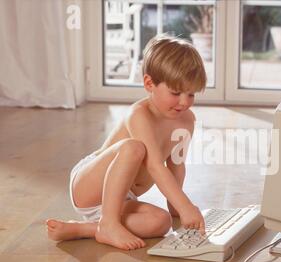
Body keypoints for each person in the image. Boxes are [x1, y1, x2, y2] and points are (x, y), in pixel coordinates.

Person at [46, 34, 206, 250]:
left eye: (191, 94)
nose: (184, 102)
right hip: (90, 186)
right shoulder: (139, 115)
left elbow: (176, 165)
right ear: (149, 83)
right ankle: (109, 223)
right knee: (134, 147)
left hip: (121, 198)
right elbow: (156, 166)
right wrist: (186, 205)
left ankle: (86, 229)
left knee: (161, 223)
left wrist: (176, 208)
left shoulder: (187, 121)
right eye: (176, 93)